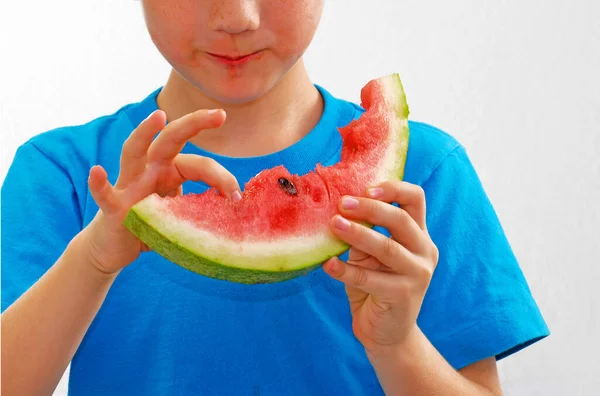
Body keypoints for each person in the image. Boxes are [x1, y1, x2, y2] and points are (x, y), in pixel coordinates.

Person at [1, 1, 549, 395]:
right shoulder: (67, 174)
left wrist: (396, 345)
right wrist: (93, 258)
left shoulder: (421, 174)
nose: (237, 16)